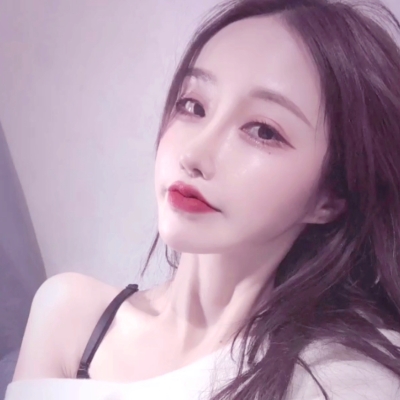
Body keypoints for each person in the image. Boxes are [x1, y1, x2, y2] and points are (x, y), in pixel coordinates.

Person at [5, 0, 400, 398]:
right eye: (192, 106)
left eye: (263, 131)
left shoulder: (342, 378)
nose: (193, 155)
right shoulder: (70, 314)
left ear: (330, 197)